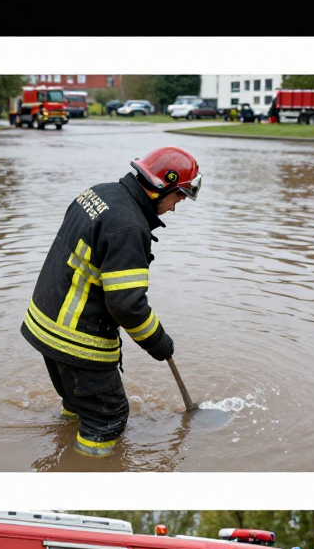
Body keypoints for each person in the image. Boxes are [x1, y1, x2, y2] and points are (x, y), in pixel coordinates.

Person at [20, 146, 203, 457]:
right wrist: (160, 343)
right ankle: (86, 470)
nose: (175, 208)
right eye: (178, 198)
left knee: (79, 402)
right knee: (108, 416)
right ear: (162, 187)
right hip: (76, 339)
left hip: (45, 324)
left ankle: (66, 439)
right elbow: (127, 305)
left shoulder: (98, 193)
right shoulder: (130, 226)